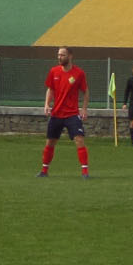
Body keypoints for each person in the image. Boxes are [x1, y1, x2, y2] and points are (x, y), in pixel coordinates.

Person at [40, 45, 90, 178]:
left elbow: (85, 91)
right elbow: (50, 89)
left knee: (79, 140)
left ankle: (85, 172)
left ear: (70, 56)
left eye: (62, 55)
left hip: (72, 114)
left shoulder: (79, 73)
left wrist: (84, 108)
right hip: (57, 113)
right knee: (50, 142)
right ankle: (44, 171)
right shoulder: (54, 71)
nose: (59, 57)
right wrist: (46, 104)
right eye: (58, 55)